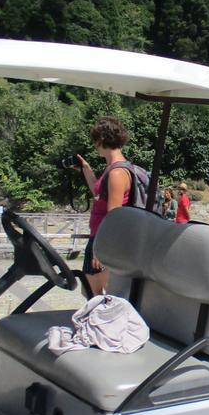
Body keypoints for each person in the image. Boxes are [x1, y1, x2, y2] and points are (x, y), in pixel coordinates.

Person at [78, 116, 134, 295]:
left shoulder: (117, 173)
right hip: (99, 239)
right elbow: (98, 195)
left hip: (103, 242)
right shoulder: (113, 169)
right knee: (90, 293)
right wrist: (85, 169)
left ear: (101, 140)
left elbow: (114, 216)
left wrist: (101, 252)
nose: (94, 145)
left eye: (95, 140)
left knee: (102, 297)